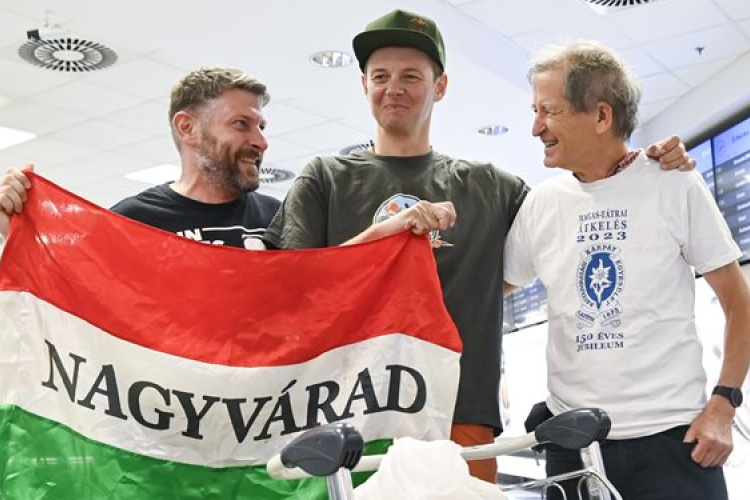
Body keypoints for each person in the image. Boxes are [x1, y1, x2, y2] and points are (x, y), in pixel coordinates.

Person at [262, 9, 695, 482]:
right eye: (380, 76)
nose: (394, 88)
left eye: (411, 76)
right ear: (364, 85)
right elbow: (290, 290)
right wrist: (383, 236)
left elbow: (580, 206)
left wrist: (640, 164)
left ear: (441, 87)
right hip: (346, 412)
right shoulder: (325, 179)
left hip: (460, 413)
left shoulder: (491, 187)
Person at [503, 41, 750, 500]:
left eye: (549, 111)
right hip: (574, 447)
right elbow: (484, 294)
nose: (536, 127)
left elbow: (740, 304)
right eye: (535, 111)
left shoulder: (673, 182)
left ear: (601, 116)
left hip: (674, 444)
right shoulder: (542, 204)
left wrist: (724, 403)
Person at [0, 66, 456, 248]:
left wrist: (388, 234)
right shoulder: (133, 222)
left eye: (261, 127)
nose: (260, 141)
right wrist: (13, 228)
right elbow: (67, 288)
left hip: (266, 418)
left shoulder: (281, 218)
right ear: (187, 128)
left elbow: (326, 285)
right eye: (241, 124)